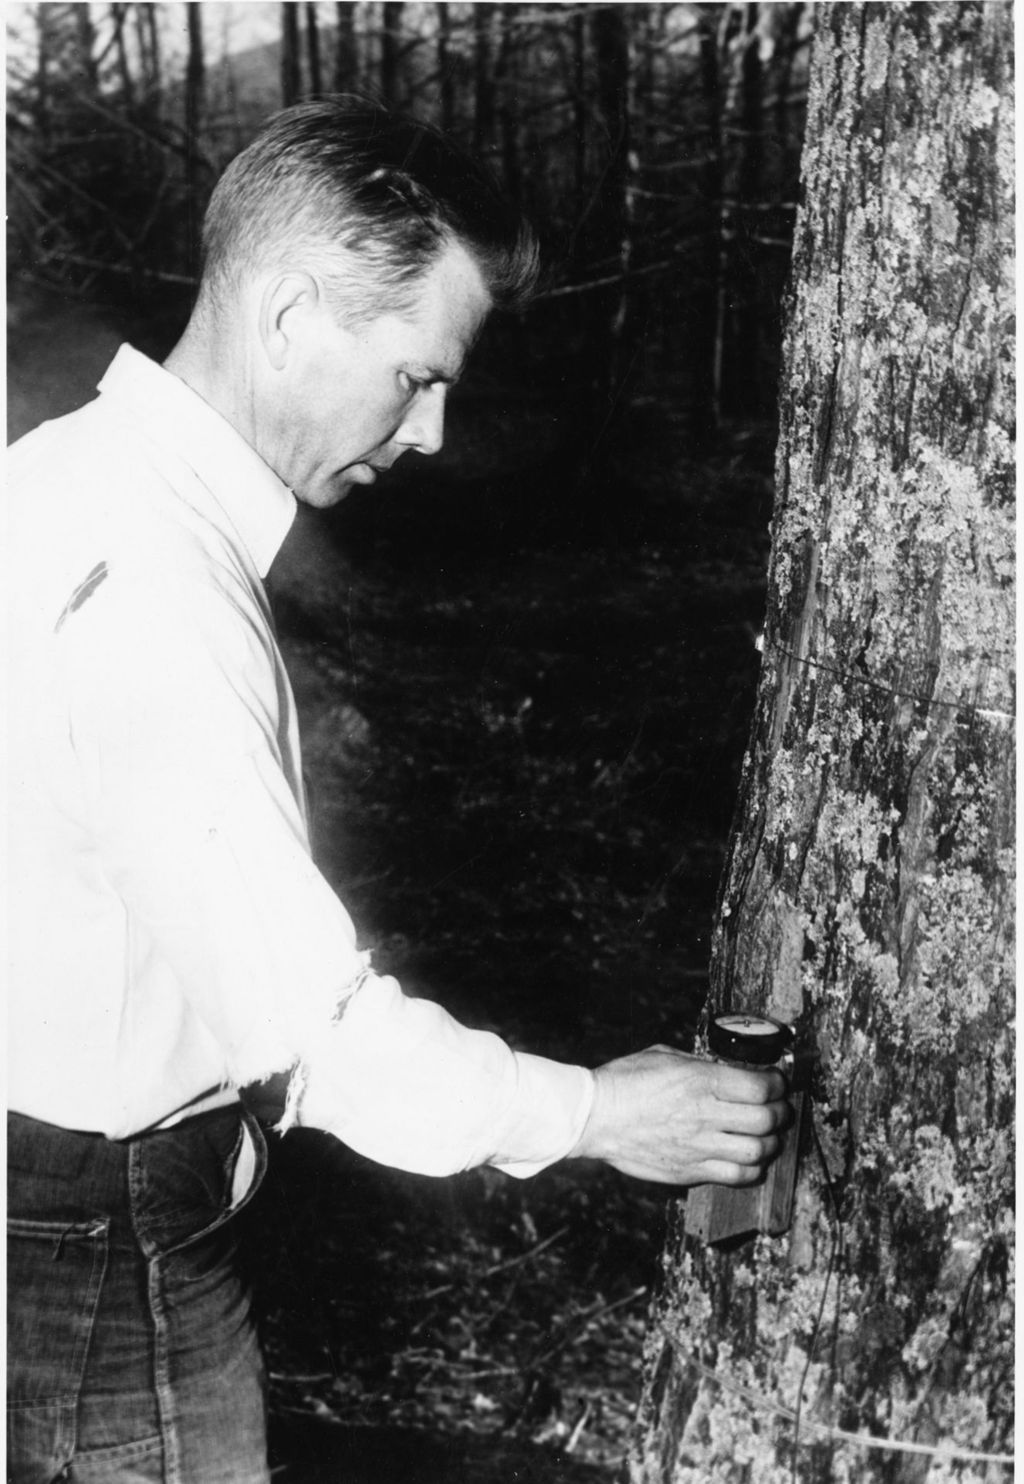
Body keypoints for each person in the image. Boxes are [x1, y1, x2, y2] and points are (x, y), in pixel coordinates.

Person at [7, 101, 790, 1484]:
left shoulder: (55, 478)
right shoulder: (157, 590)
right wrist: (602, 1115)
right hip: (95, 1255)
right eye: (418, 374)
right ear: (295, 313)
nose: (431, 432)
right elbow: (312, 1038)